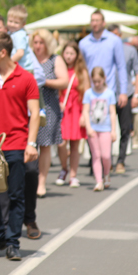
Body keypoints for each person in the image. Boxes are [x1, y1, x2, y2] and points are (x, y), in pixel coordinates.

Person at [0, 34, 39, 262]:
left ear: (2, 52)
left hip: (17, 143)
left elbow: (34, 113)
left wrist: (31, 144)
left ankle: (13, 241)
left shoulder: (26, 78)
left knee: (15, 195)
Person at [79, 12, 129, 165]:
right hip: (91, 92)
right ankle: (96, 162)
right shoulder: (84, 43)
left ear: (103, 22)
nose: (94, 23)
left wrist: (123, 92)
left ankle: (114, 160)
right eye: (92, 20)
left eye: (97, 20)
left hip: (109, 91)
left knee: (111, 127)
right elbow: (82, 68)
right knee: (92, 126)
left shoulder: (114, 40)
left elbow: (121, 66)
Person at [30, 28, 67, 202]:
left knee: (44, 144)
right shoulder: (28, 59)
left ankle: (41, 182)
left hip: (48, 106)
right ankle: (29, 179)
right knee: (29, 142)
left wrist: (45, 81)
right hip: (29, 106)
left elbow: (64, 81)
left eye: (41, 43)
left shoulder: (54, 59)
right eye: (35, 42)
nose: (38, 46)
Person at [107, 24, 138, 173]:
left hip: (124, 94)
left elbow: (137, 73)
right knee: (104, 129)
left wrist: (137, 95)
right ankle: (103, 160)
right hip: (106, 95)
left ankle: (120, 160)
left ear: (120, 35)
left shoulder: (130, 50)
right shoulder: (104, 50)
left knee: (125, 128)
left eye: (116, 34)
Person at [56, 41, 89, 188]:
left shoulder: (81, 72)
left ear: (77, 56)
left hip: (76, 110)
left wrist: (84, 114)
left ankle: (73, 175)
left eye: (72, 53)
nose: (68, 56)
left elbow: (86, 94)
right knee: (61, 142)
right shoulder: (58, 69)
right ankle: (64, 168)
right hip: (62, 111)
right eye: (66, 53)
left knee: (75, 144)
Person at [81, 67, 118, 191]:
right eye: (94, 81)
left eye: (99, 81)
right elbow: (85, 111)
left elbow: (112, 112)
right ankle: (99, 181)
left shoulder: (109, 93)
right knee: (96, 155)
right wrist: (88, 127)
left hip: (105, 128)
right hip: (93, 129)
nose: (97, 84)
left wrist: (113, 130)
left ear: (104, 79)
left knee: (106, 155)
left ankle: (106, 173)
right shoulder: (89, 93)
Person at [6, 5, 41, 80]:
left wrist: (7, 63)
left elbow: (20, 53)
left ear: (23, 24)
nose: (12, 24)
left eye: (16, 22)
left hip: (24, 68)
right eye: (10, 21)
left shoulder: (19, 35)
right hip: (19, 67)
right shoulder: (11, 33)